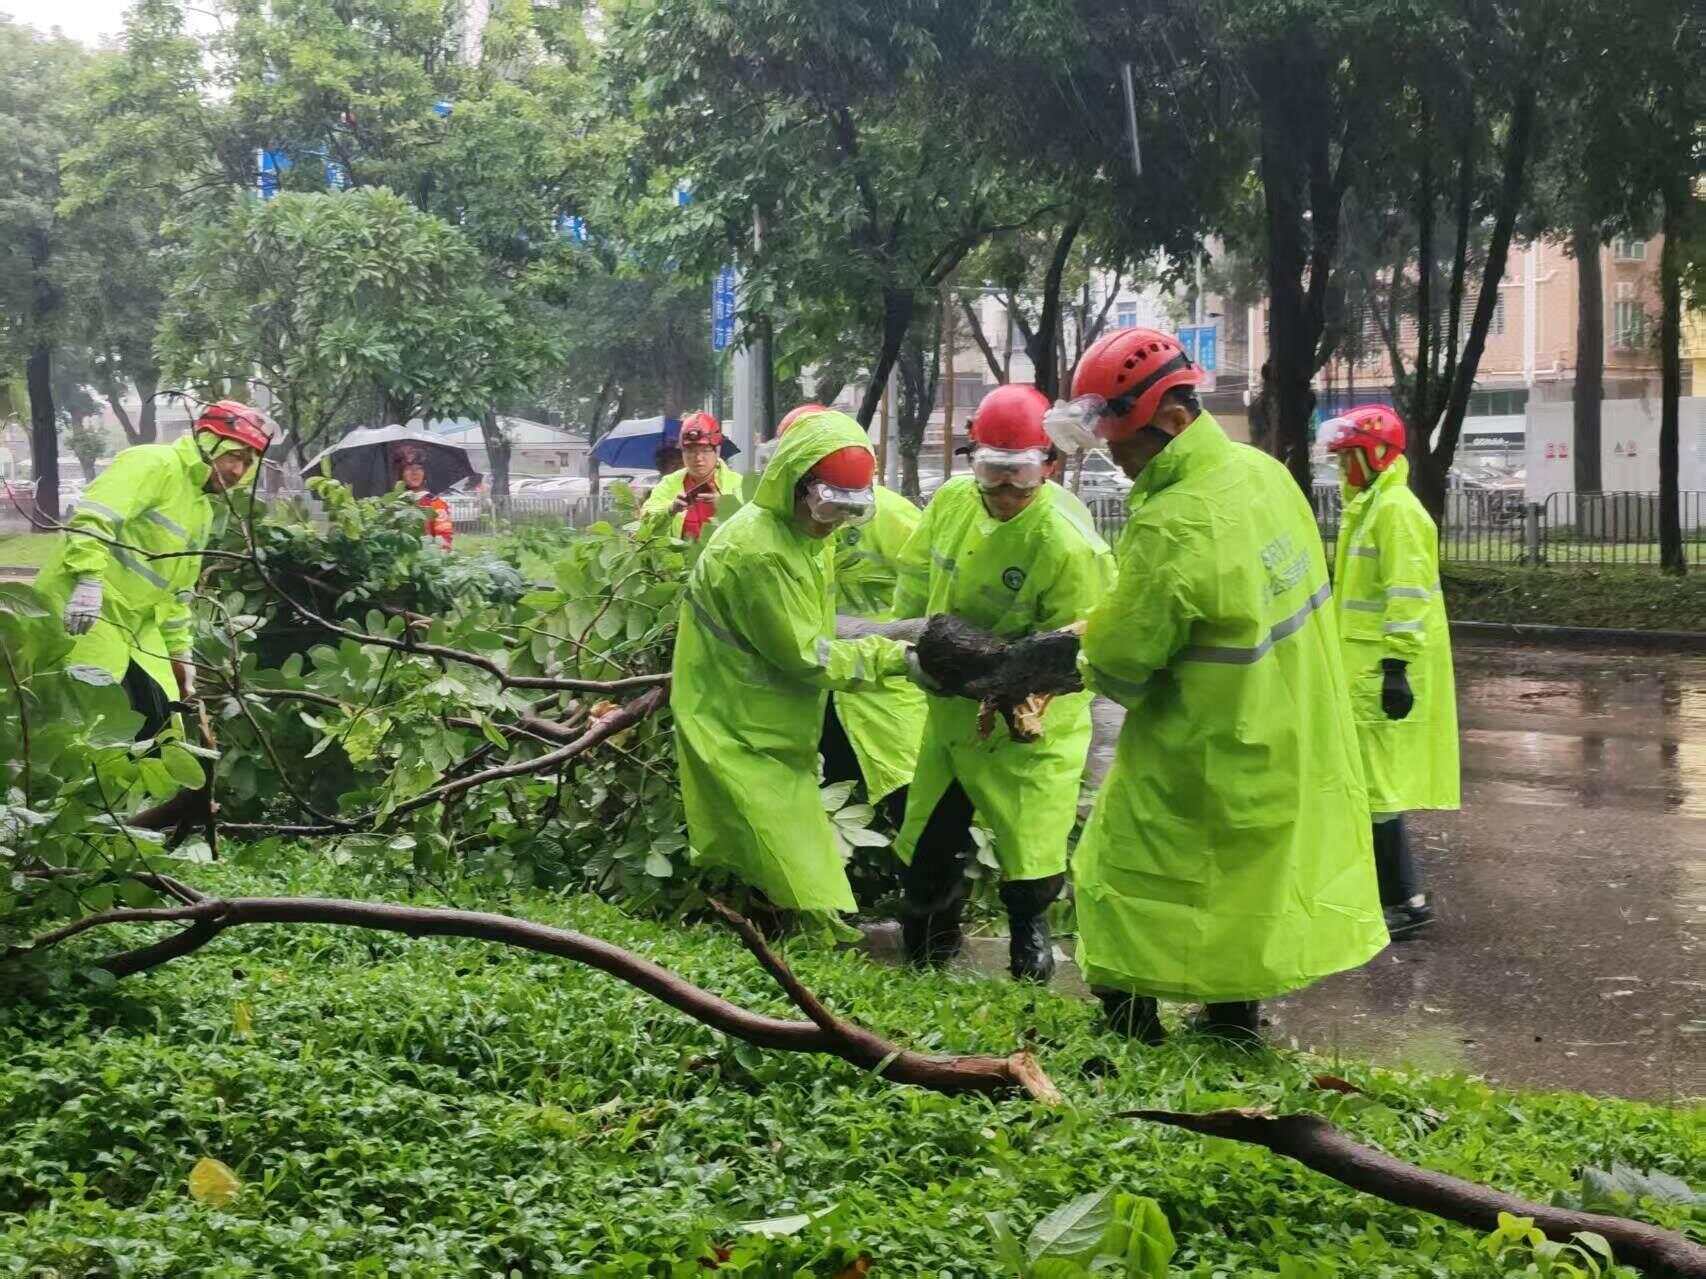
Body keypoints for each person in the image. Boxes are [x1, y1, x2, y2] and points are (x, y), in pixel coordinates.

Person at [1054, 327, 1386, 1043]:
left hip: (1203, 746)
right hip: (1284, 730)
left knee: (1117, 871)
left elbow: (1123, 660)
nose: (1117, 458)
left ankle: (1129, 1028)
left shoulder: (1174, 523)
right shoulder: (1261, 473)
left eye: (1123, 443)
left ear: (1172, 421)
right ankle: (1233, 1028)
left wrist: (1077, 645)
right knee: (1246, 894)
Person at [890, 383, 1115, 981]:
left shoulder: (1067, 545)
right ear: (972, 462)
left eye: (1020, 474)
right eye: (992, 473)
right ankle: (927, 948)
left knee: (1030, 848)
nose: (1006, 491)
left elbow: (1078, 647)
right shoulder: (952, 504)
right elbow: (915, 580)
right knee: (930, 839)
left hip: (1031, 723)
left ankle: (1029, 956)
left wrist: (1006, 672)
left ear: (1050, 464)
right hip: (950, 715)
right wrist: (917, 646)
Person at [671, 410, 928, 915]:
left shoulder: (804, 536)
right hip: (736, 723)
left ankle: (774, 923)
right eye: (828, 507)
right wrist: (902, 658)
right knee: (802, 889)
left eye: (847, 511)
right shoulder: (759, 553)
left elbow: (817, 624)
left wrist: (901, 633)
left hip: (773, 721)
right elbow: (809, 656)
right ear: (795, 484)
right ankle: (781, 936)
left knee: (792, 869)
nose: (832, 522)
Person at [34, 400, 271, 739]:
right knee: (91, 725)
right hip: (84, 612)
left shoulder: (201, 510)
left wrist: (179, 654)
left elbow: (176, 594)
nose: (238, 471)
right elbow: (92, 519)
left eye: (248, 463)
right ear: (207, 442)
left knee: (161, 721)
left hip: (133, 625)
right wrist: (88, 580)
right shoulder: (153, 463)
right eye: (233, 455)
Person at [1324, 404, 1458, 939]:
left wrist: (1397, 666)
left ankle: (1404, 900)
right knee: (1366, 787)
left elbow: (1408, 595)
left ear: (1377, 454)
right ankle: (1388, 897)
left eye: (1348, 457)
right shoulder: (1370, 508)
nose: (1342, 469)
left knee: (1377, 790)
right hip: (1365, 670)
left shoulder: (1395, 512)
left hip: (1379, 674)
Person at [775, 403, 927, 823]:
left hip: (887, 687)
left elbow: (933, 590)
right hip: (821, 685)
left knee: (903, 794)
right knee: (836, 796)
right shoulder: (782, 526)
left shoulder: (892, 516)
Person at [639, 412, 740, 541]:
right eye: (691, 451)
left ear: (717, 450)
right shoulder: (668, 483)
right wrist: (670, 510)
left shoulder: (737, 483)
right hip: (681, 553)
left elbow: (752, 528)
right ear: (682, 452)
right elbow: (645, 525)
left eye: (705, 450)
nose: (698, 458)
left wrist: (725, 505)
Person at [395, 446, 454, 550]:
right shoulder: (394, 504)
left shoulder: (436, 504)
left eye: (419, 468)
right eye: (409, 468)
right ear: (401, 474)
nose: (415, 473)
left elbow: (445, 541)